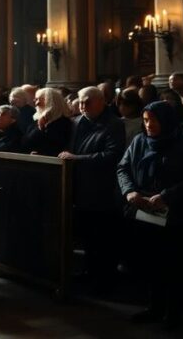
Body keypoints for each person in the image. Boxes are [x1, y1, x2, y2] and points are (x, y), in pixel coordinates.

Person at [117, 101, 183, 323]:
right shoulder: (139, 141)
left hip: (173, 214)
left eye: (153, 120)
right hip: (144, 210)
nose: (149, 125)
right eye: (145, 120)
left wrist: (166, 196)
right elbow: (123, 167)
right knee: (151, 261)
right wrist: (129, 192)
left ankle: (173, 312)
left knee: (172, 262)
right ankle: (154, 306)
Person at [60, 86, 127, 292]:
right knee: (88, 235)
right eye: (80, 102)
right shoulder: (76, 123)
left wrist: (76, 159)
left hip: (102, 190)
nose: (82, 106)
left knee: (103, 237)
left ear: (101, 102)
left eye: (87, 102)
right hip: (80, 189)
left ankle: (105, 278)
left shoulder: (113, 124)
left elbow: (111, 155)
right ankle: (89, 271)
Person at [22, 87, 72, 156]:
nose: (37, 103)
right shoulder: (36, 120)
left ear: (51, 102)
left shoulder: (63, 122)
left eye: (40, 99)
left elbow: (59, 146)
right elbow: (25, 142)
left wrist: (42, 154)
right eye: (36, 99)